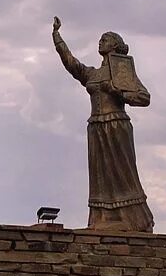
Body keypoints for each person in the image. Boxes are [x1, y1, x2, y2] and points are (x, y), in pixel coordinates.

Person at [51, 16, 154, 232]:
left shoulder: (122, 72)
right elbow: (72, 64)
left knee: (122, 172)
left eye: (105, 39)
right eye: (100, 39)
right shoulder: (93, 73)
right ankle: (104, 217)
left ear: (115, 45)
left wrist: (116, 90)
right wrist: (57, 37)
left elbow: (144, 98)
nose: (101, 42)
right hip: (96, 127)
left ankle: (133, 218)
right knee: (100, 174)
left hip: (117, 125)